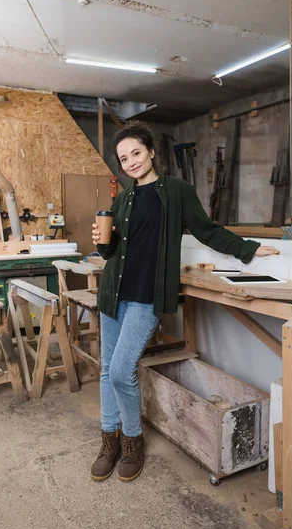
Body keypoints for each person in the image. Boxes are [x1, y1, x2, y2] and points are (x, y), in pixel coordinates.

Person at [90, 121, 279, 483]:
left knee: (120, 371)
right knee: (105, 370)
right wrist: (102, 241)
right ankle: (108, 439)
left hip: (145, 298)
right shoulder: (122, 198)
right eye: (123, 158)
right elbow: (112, 250)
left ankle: (132, 441)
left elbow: (207, 230)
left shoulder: (177, 191)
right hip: (113, 294)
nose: (130, 162)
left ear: (151, 152)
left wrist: (249, 249)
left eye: (136, 153)